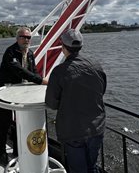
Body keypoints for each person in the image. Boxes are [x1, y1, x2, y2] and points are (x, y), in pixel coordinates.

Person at [45, 28, 107, 173]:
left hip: (73, 130)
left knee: (78, 169)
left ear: (63, 47)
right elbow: (101, 91)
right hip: (96, 127)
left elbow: (51, 103)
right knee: (92, 166)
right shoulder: (96, 65)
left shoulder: (59, 71)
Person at [0, 27, 48, 166]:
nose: (27, 40)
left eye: (29, 37)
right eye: (23, 37)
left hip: (20, 93)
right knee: (3, 124)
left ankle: (18, 150)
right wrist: (41, 80)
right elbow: (20, 70)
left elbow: (33, 71)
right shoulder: (10, 52)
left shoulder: (30, 53)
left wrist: (39, 85)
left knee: (20, 122)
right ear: (17, 38)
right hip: (4, 92)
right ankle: (0, 154)